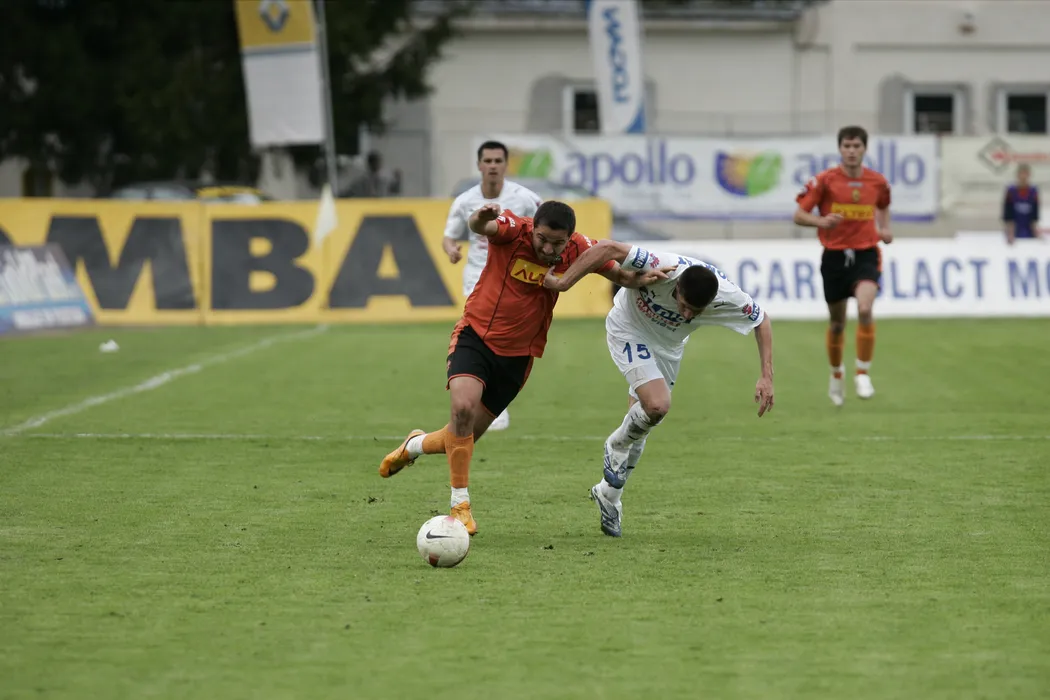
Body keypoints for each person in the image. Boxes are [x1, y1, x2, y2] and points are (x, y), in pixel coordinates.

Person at [378, 202, 667, 535]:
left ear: (569, 238)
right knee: (463, 409)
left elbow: (618, 274)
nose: (549, 249)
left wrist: (640, 279)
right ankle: (460, 507)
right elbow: (481, 226)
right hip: (476, 337)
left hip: (518, 358)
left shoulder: (579, 249)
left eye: (557, 243)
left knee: (461, 437)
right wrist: (481, 217)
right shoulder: (513, 231)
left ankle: (413, 445)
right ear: (534, 229)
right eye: (542, 239)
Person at [543, 241, 775, 538]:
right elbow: (607, 249)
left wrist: (766, 376)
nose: (687, 315)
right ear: (677, 287)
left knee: (643, 426)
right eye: (684, 306)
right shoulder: (661, 265)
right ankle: (614, 446)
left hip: (668, 348)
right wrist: (563, 283)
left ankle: (609, 495)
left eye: (696, 312)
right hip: (629, 329)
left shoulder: (727, 296)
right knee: (657, 405)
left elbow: (761, 320)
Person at [441, 140, 544, 431]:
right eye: (488, 161)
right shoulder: (464, 201)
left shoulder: (526, 199)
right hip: (478, 278)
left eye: (498, 161)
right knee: (480, 333)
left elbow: (544, 229)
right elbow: (449, 236)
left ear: (506, 164)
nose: (493, 166)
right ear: (479, 165)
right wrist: (451, 249)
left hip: (512, 279)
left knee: (504, 335)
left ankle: (494, 401)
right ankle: (481, 394)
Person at [793, 125, 892, 407]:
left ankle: (862, 373)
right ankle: (837, 374)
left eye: (856, 146)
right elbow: (799, 214)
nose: (851, 151)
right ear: (840, 149)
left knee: (865, 309)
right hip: (835, 257)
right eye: (847, 146)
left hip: (866, 254)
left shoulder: (877, 182)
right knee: (837, 324)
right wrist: (820, 221)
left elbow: (883, 204)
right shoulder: (825, 181)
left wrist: (884, 228)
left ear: (864, 149)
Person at [1003, 164, 1041, 244]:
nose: (1023, 176)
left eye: (1025, 174)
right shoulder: (1011, 190)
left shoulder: (1033, 191)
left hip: (1028, 228)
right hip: (1014, 228)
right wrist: (1010, 232)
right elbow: (1008, 213)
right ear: (1017, 175)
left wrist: (1036, 232)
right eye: (1021, 174)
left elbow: (1035, 213)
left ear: (1029, 175)